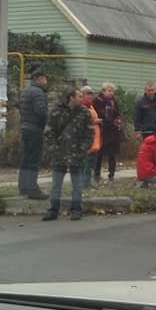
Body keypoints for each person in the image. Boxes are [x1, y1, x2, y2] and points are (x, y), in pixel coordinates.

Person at [42, 88, 94, 221]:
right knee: (56, 185)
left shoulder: (84, 113)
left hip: (77, 154)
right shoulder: (57, 111)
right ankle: (53, 210)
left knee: (77, 185)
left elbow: (89, 134)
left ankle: (76, 209)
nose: (82, 99)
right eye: (79, 96)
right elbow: (49, 132)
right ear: (71, 98)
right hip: (60, 154)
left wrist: (82, 149)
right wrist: (54, 148)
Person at [17, 69, 49, 199]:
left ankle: (23, 186)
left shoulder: (26, 91)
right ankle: (32, 188)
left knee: (26, 157)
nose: (46, 82)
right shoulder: (38, 92)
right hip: (35, 128)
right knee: (34, 159)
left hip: (25, 126)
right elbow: (41, 111)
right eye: (45, 79)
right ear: (38, 79)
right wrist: (47, 122)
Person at [92, 82, 121, 183]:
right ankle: (96, 175)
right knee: (99, 154)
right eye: (109, 91)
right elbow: (93, 114)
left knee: (112, 154)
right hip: (101, 129)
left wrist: (118, 119)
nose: (111, 93)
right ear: (103, 91)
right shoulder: (96, 101)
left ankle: (111, 176)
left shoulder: (113, 101)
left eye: (112, 91)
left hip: (112, 130)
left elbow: (117, 113)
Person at [80, 86, 102, 189]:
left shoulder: (91, 106)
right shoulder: (81, 107)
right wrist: (95, 121)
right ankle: (84, 184)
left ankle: (88, 182)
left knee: (92, 163)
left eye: (91, 94)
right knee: (87, 163)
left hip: (95, 139)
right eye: (87, 94)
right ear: (82, 95)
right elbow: (81, 122)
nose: (90, 96)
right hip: (87, 139)